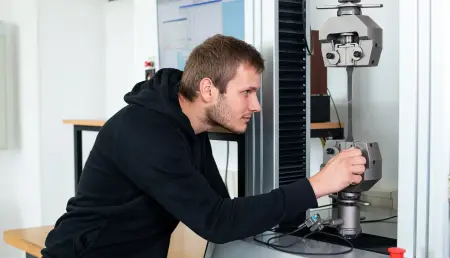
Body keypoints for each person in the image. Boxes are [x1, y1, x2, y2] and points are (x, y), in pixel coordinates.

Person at [41, 34, 366, 258]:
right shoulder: (145, 131)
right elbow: (218, 222)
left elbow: (220, 206)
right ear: (208, 89)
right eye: (247, 92)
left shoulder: (189, 126)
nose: (256, 105)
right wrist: (319, 184)